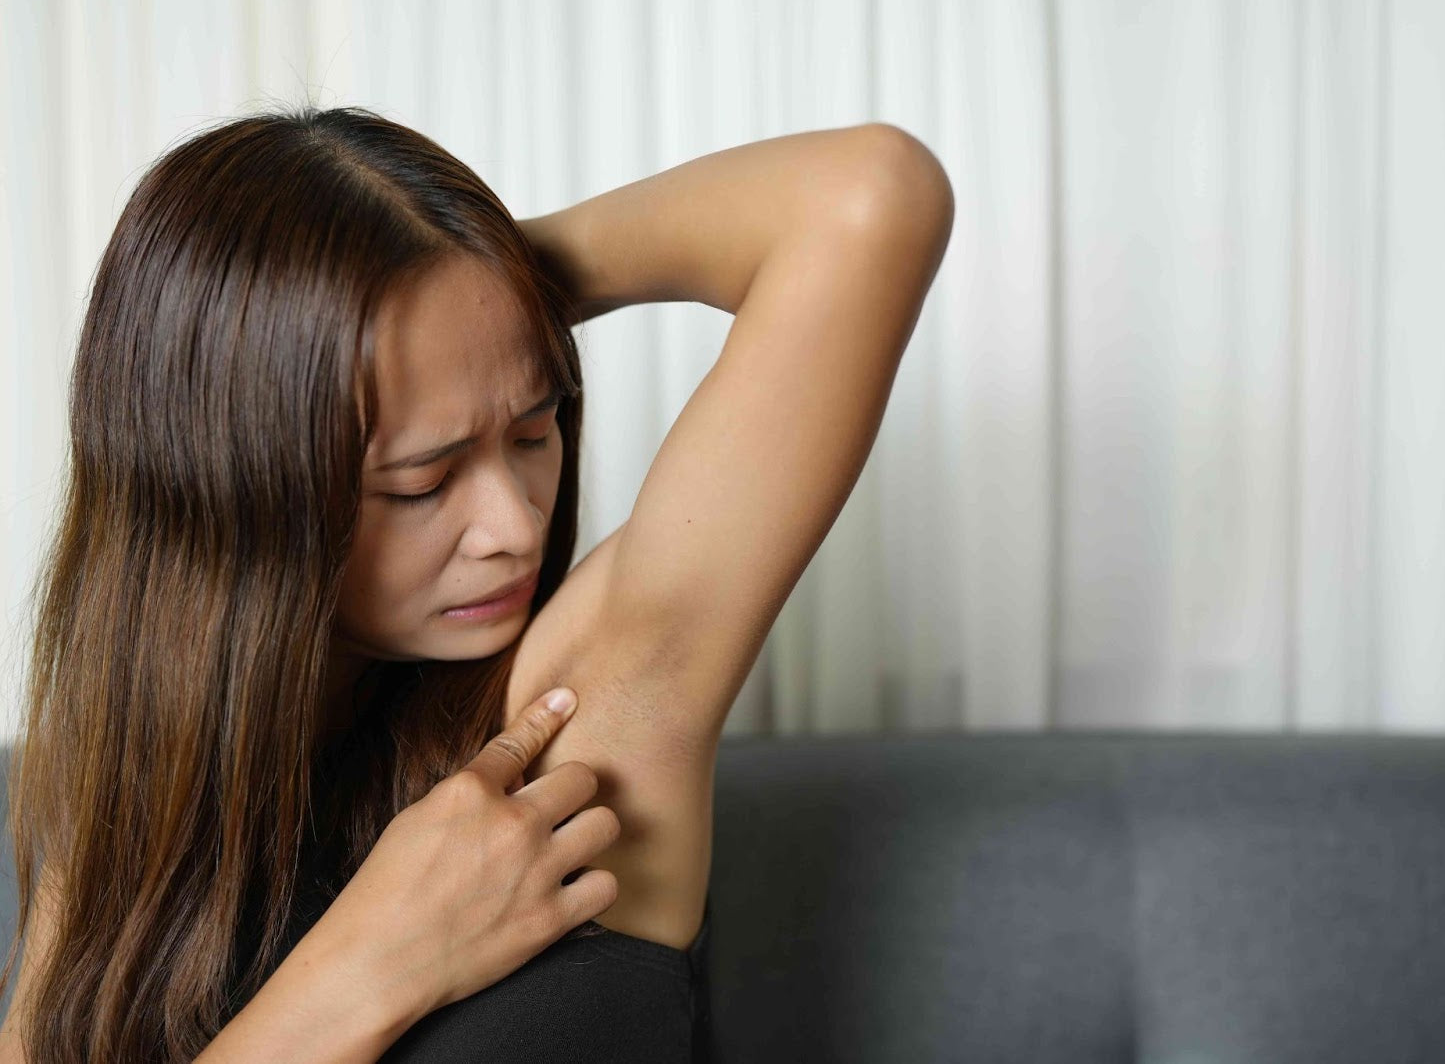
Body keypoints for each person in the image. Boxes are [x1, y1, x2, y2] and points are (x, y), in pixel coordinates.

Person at [0, 105, 954, 1062]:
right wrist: (372, 963)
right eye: (420, 482)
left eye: (535, 431)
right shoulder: (121, 786)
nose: (515, 528)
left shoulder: (574, 727)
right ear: (231, 488)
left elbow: (868, 194)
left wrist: (473, 277)